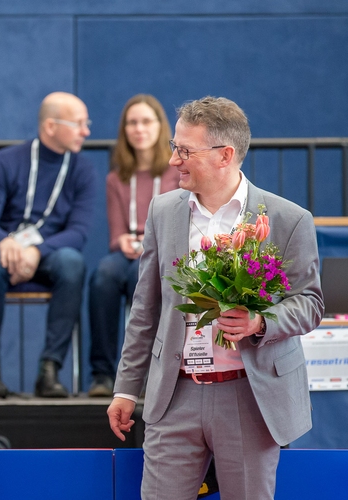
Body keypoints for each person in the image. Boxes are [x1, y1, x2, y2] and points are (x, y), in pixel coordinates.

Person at [107, 96, 324, 499]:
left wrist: (260, 322)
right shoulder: (163, 210)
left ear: (225, 155)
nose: (173, 160)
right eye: (175, 147)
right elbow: (146, 308)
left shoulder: (288, 219)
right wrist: (125, 389)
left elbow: (309, 303)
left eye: (184, 150)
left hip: (250, 394)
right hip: (175, 393)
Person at [0, 91, 98, 398]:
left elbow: (79, 232)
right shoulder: (5, 162)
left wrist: (35, 251)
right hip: (5, 253)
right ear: (51, 126)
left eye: (87, 123)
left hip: (50, 255)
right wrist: (6, 243)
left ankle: (49, 370)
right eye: (79, 123)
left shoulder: (82, 171)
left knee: (72, 262)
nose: (86, 131)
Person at [87, 95, 179, 397]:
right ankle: (101, 374)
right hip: (128, 252)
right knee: (103, 276)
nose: (139, 129)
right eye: (132, 123)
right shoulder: (116, 178)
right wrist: (123, 241)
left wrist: (151, 243)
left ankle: (146, 374)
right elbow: (115, 234)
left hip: (163, 250)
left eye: (146, 122)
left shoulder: (176, 172)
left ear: (160, 127)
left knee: (138, 278)